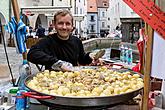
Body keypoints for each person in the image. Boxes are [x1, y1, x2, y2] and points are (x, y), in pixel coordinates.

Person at [27, 10, 95, 71]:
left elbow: (82, 60)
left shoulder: (76, 41)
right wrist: (57, 63)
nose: (64, 27)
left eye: (68, 24)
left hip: (74, 79)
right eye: (60, 23)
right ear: (54, 25)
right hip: (52, 81)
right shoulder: (47, 41)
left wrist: (90, 56)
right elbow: (31, 54)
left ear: (72, 26)